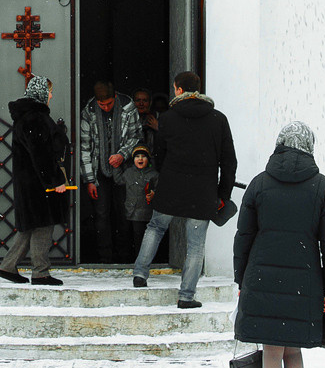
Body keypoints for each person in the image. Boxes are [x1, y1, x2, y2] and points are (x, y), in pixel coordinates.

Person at [233, 121, 325, 368]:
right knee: (293, 350)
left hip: (262, 277)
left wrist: (241, 278)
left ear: (279, 144)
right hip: (305, 279)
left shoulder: (258, 184)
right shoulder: (323, 187)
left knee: (272, 348)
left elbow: (244, 238)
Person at [129, 70, 234, 307]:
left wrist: (166, 176)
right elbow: (229, 161)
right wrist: (222, 194)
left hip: (171, 185)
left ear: (178, 89)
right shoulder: (218, 119)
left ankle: (140, 273)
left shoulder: (167, 118)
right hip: (203, 190)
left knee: (155, 227)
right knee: (195, 245)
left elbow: (160, 154)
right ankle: (186, 296)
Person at [0, 75, 70, 286]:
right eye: (49, 91)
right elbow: (41, 155)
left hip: (29, 181)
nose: (51, 95)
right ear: (41, 93)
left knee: (31, 225)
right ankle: (40, 272)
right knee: (43, 225)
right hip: (37, 183)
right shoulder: (35, 118)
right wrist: (55, 181)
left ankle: (8, 267)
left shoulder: (27, 116)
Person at [77, 79, 141, 262]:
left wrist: (122, 154)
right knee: (101, 214)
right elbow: (85, 148)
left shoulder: (128, 108)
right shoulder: (89, 112)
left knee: (124, 213)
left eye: (109, 104)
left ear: (115, 97)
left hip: (125, 170)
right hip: (99, 172)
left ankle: (124, 256)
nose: (105, 108)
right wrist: (89, 180)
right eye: (101, 105)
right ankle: (104, 257)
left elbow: (136, 136)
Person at [119, 144, 158, 260]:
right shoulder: (128, 173)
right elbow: (119, 180)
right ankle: (127, 259)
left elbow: (160, 189)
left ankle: (141, 260)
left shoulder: (154, 175)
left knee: (140, 237)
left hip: (145, 213)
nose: (140, 159)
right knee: (127, 236)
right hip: (130, 211)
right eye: (137, 157)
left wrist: (154, 194)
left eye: (143, 157)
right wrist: (115, 166)